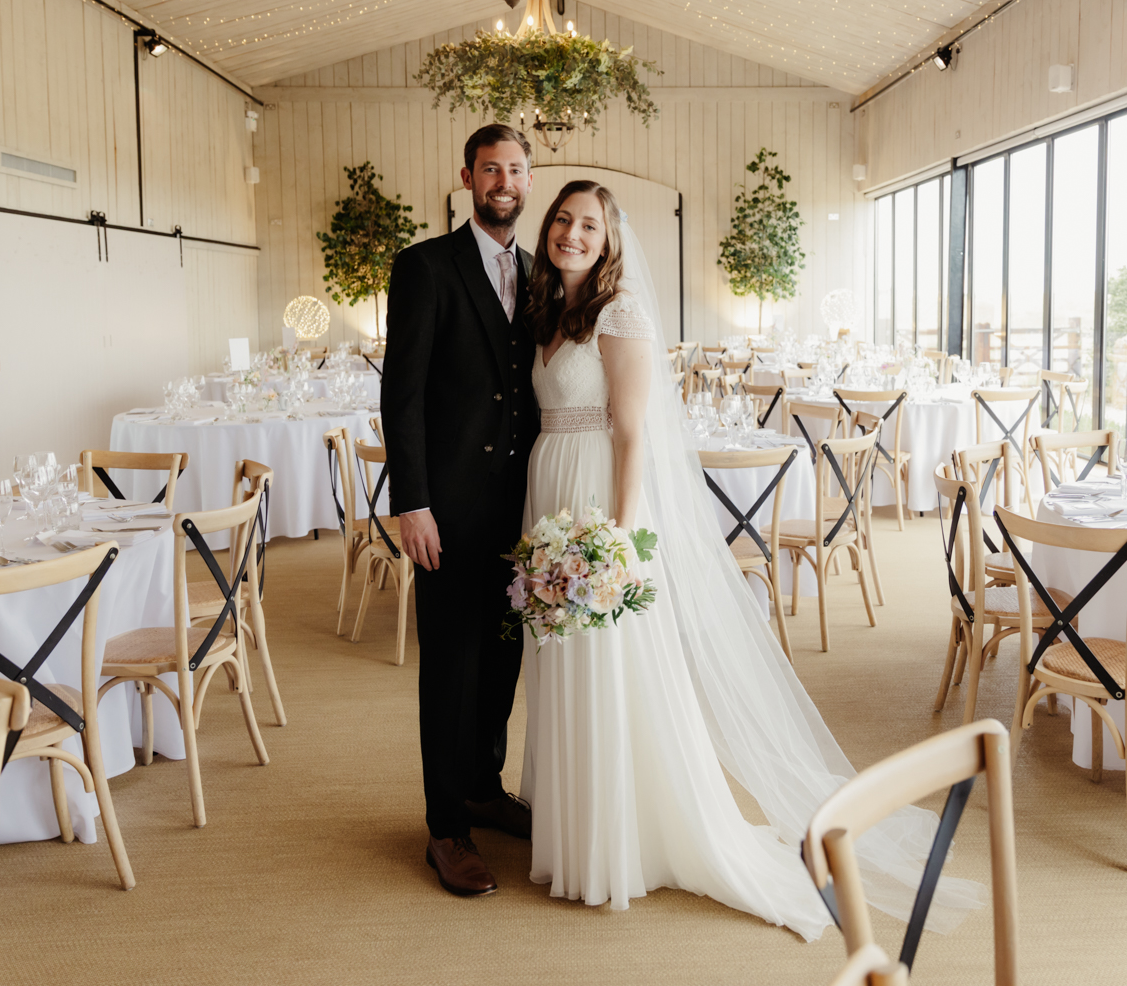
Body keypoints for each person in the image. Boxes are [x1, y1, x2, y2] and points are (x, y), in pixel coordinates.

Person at [518, 180, 982, 939]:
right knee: (563, 662)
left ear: (609, 240)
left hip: (600, 504)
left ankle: (615, 845)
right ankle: (573, 830)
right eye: (563, 221)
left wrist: (622, 543)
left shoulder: (619, 312)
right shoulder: (546, 314)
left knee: (609, 663)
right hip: (550, 495)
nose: (572, 234)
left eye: (588, 225)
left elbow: (632, 433)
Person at [380, 123, 541, 897]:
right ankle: (446, 827)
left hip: (522, 512)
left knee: (504, 657)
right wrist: (410, 502)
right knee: (450, 665)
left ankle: (483, 784)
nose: (502, 181)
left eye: (514, 169)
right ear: (468, 179)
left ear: (528, 180)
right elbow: (401, 394)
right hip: (445, 508)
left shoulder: (542, 274)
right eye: (490, 170)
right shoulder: (424, 266)